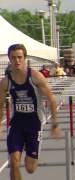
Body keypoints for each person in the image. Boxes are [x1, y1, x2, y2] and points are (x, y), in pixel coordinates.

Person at [0, 44, 61, 180]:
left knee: (30, 168)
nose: (17, 61)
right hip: (17, 124)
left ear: (24, 58)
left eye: (19, 57)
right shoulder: (6, 81)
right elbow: (0, 104)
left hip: (34, 124)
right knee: (14, 162)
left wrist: (55, 124)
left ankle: (32, 153)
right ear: (9, 59)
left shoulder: (35, 76)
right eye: (13, 57)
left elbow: (51, 99)